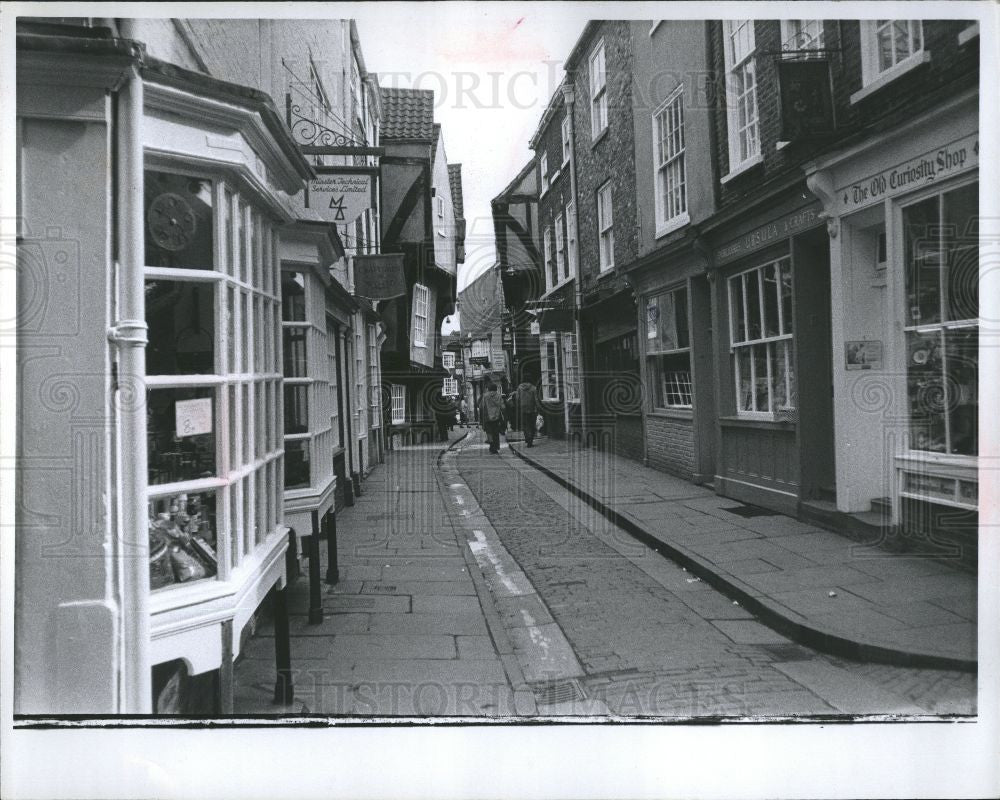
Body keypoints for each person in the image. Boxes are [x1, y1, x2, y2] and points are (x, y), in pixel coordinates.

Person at [479, 381, 506, 454]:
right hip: (497, 417)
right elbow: (503, 407)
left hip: (487, 417)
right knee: (496, 433)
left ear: (489, 389)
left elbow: (481, 406)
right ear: (496, 389)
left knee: (489, 432)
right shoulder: (499, 396)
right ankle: (496, 447)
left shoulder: (485, 396)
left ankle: (491, 447)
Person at [513, 374, 540, 447]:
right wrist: (538, 407)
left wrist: (518, 405)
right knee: (532, 424)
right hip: (532, 408)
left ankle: (527, 438)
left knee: (525, 424)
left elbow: (517, 398)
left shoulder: (519, 388)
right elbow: (536, 399)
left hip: (522, 408)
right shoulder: (533, 388)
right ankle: (530, 440)